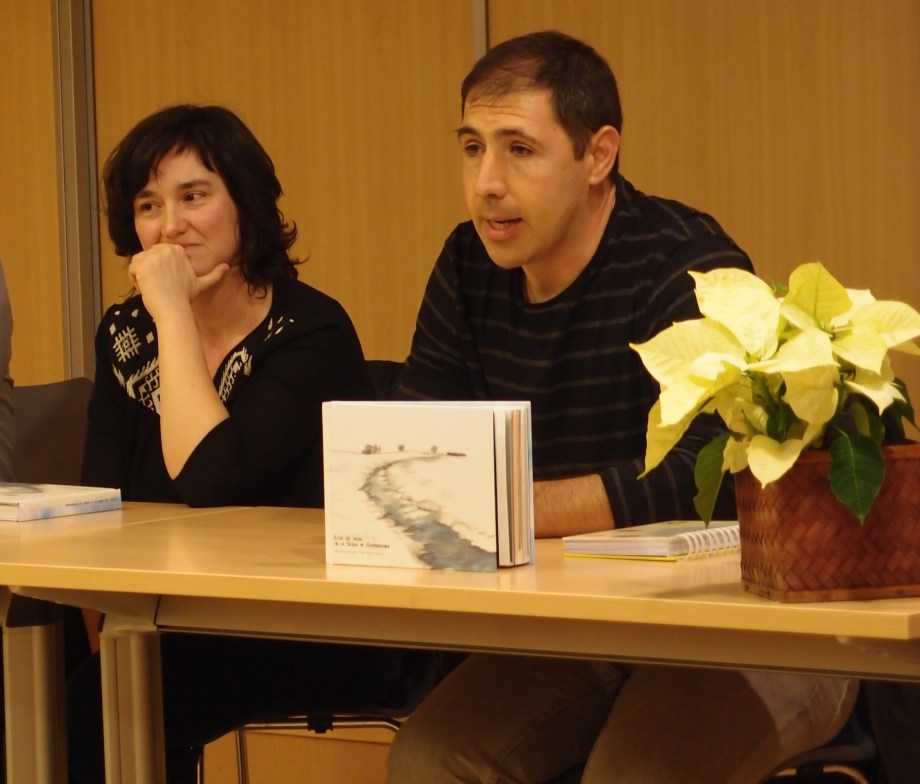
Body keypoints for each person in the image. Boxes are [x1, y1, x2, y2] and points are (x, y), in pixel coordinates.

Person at [386, 31, 858, 784]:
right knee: (429, 758)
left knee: (637, 770)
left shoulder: (683, 261)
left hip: (756, 629)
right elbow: (418, 440)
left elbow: (706, 477)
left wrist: (505, 507)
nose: (487, 184)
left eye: (520, 150)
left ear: (598, 155)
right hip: (581, 627)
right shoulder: (467, 263)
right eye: (472, 148)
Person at [66, 104, 430, 783]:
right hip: (164, 618)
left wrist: (170, 309)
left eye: (194, 197)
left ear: (245, 205)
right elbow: (99, 506)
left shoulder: (310, 332)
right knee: (38, 665)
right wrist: (103, 640)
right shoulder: (125, 333)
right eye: (149, 205)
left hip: (308, 627)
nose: (169, 226)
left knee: (98, 708)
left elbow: (210, 480)